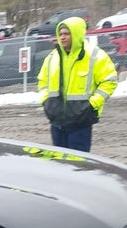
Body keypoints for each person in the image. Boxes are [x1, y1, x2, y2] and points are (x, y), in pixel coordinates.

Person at [37, 17, 118, 152]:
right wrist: (46, 102)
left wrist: (92, 105)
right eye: (60, 34)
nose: (62, 37)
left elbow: (109, 81)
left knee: (78, 161)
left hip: (81, 122)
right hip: (57, 122)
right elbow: (42, 81)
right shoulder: (52, 57)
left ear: (76, 34)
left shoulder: (95, 55)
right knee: (59, 161)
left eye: (67, 34)